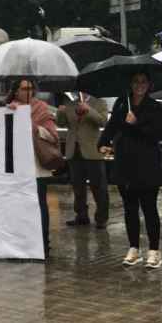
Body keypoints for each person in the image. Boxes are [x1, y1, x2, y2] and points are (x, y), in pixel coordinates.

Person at [98, 72, 162, 269]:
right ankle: (134, 248)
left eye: (143, 82)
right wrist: (102, 142)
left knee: (149, 208)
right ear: (130, 83)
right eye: (136, 81)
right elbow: (112, 127)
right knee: (130, 208)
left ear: (149, 84)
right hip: (124, 163)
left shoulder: (154, 106)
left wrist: (135, 124)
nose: (139, 85)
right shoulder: (121, 103)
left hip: (147, 164)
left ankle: (154, 251)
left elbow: (155, 134)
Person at [6, 77, 56, 258]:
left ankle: (43, 244)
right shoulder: (9, 107)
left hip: (36, 167)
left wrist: (33, 126)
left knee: (39, 206)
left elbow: (52, 136)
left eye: (30, 88)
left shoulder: (41, 108)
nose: (28, 92)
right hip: (17, 168)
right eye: (23, 88)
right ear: (16, 91)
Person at [56, 92, 109, 229]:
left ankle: (101, 218)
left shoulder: (99, 101)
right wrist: (60, 113)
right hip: (73, 151)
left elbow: (103, 121)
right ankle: (81, 216)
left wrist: (89, 110)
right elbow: (61, 123)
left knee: (99, 187)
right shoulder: (70, 102)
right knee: (77, 187)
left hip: (92, 151)